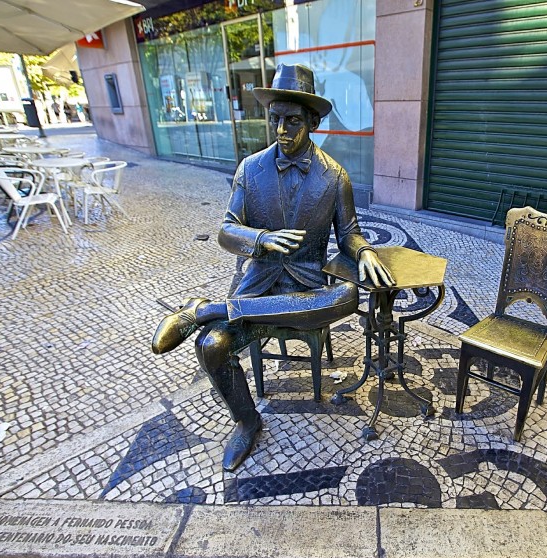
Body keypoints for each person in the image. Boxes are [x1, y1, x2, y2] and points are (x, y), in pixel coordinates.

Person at [151, 64, 394, 470]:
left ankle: (205, 310)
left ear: (313, 122)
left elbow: (348, 231)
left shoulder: (335, 177)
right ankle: (247, 422)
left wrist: (365, 251)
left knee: (349, 296)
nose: (282, 129)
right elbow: (227, 231)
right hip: (260, 283)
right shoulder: (251, 168)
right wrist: (261, 240)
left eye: (293, 120)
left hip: (306, 290)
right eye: (276, 119)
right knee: (211, 347)